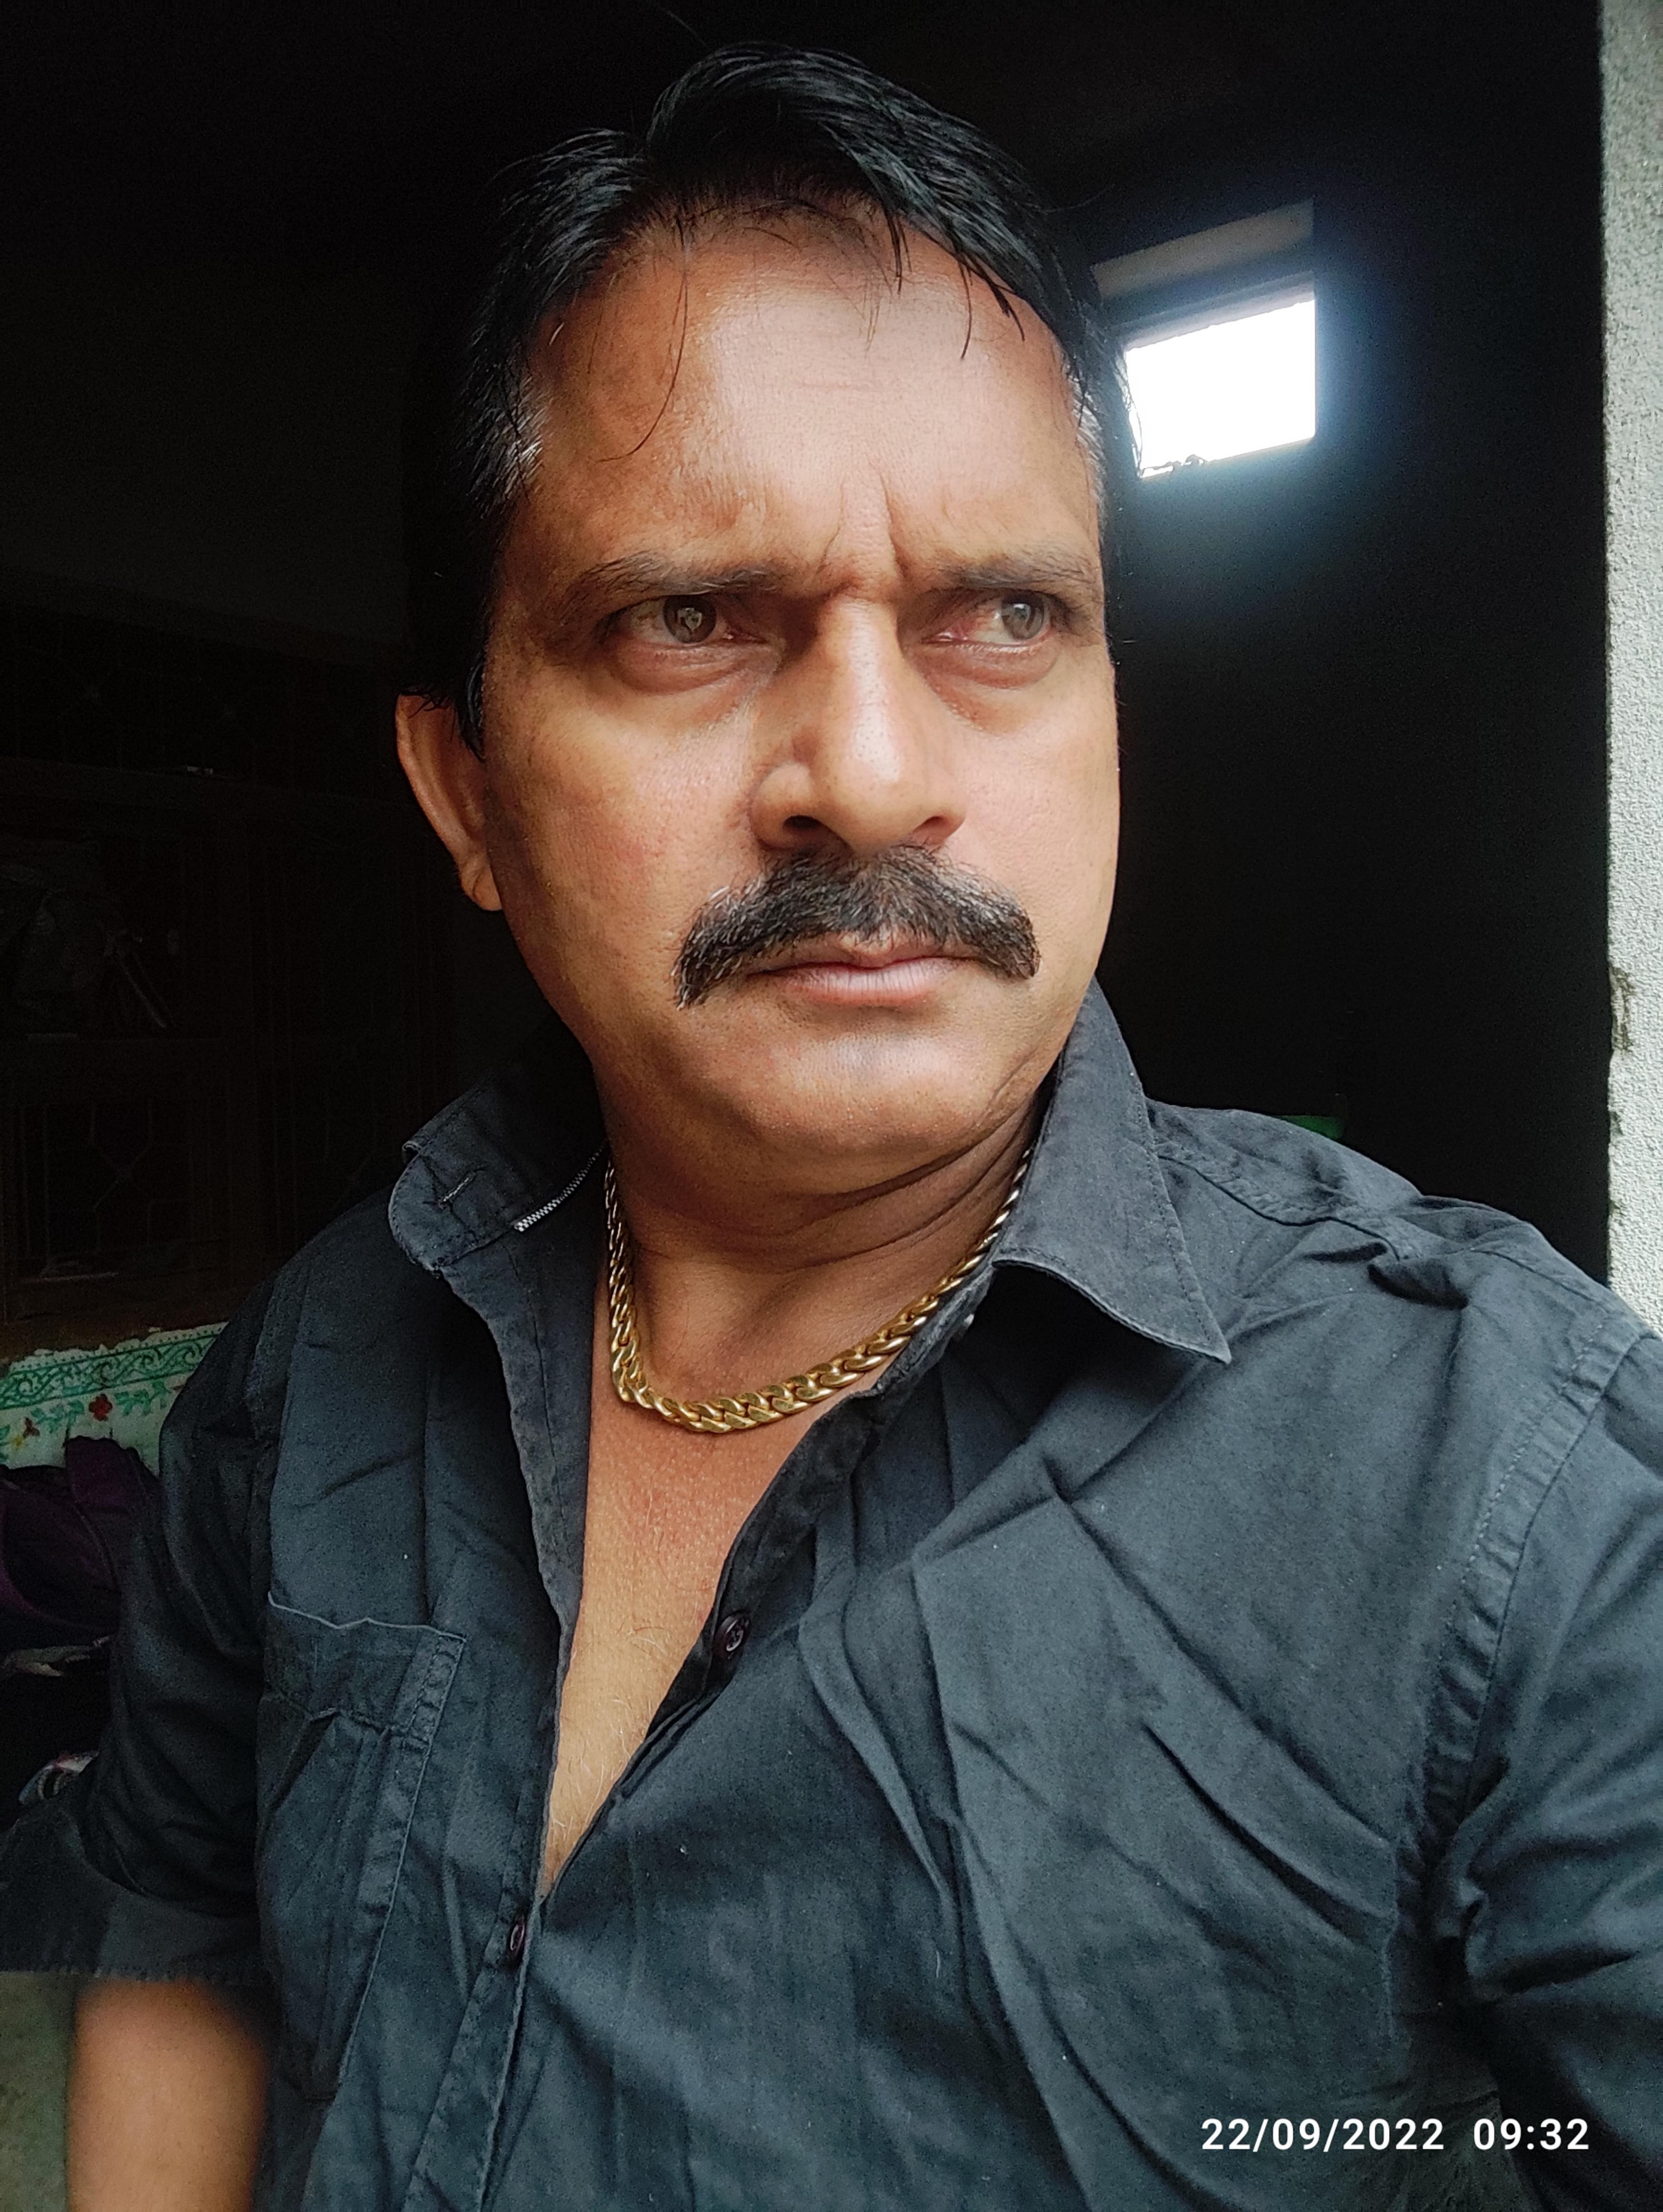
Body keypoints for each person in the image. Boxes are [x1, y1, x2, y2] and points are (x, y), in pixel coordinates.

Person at [1, 44, 1657, 2212]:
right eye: (688, 619)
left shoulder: (1505, 1479)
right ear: (465, 794)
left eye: (1004, 615)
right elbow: (184, 1945)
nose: (870, 777)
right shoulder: (311, 1370)